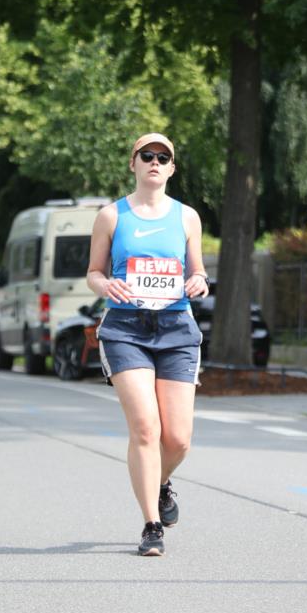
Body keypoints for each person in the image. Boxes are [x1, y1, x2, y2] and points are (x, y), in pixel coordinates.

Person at [86, 133, 209, 556]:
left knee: (177, 439)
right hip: (125, 329)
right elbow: (93, 273)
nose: (155, 162)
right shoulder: (111, 216)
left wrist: (198, 282)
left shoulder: (187, 217)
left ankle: (158, 482)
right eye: (147, 155)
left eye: (164, 157)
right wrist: (106, 285)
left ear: (172, 169)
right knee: (145, 428)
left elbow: (198, 274)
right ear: (133, 164)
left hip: (176, 327)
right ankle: (151, 525)